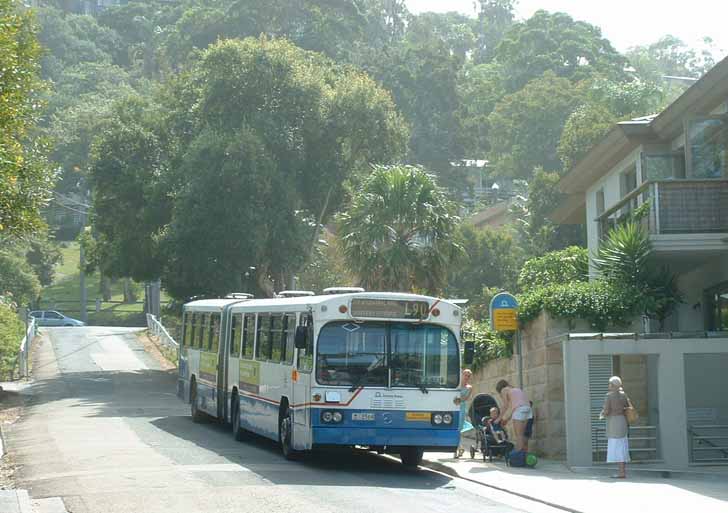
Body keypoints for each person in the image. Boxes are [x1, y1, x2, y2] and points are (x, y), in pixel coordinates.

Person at [600, 375, 631, 478]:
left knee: (616, 447)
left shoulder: (609, 396)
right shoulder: (624, 395)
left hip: (614, 423)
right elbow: (628, 407)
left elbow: (606, 410)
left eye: (610, 384)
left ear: (613, 385)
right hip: (622, 421)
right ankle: (622, 472)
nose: (609, 385)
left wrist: (602, 414)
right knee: (622, 447)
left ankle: (621, 473)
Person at [495, 379, 533, 452]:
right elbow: (516, 407)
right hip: (528, 409)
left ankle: (518, 455)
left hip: (520, 410)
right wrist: (507, 419)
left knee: (519, 435)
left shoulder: (504, 390)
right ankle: (524, 455)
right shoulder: (516, 389)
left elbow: (506, 406)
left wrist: (498, 419)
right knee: (522, 434)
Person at [453, 368, 473, 458]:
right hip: (453, 407)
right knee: (454, 429)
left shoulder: (469, 387)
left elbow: (465, 398)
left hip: (461, 408)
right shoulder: (456, 384)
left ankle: (456, 450)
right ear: (462, 375)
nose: (467, 377)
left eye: (468, 376)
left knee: (458, 430)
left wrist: (458, 399)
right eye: (465, 375)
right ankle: (459, 448)